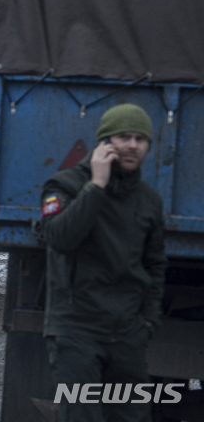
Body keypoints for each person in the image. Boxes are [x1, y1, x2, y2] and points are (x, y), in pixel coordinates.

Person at [40, 103, 168, 422]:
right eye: (124, 137)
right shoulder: (63, 186)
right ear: (105, 142)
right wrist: (95, 186)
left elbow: (155, 265)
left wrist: (148, 322)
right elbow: (59, 238)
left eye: (141, 139)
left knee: (133, 417)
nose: (133, 145)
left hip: (127, 333)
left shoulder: (149, 200)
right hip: (76, 329)